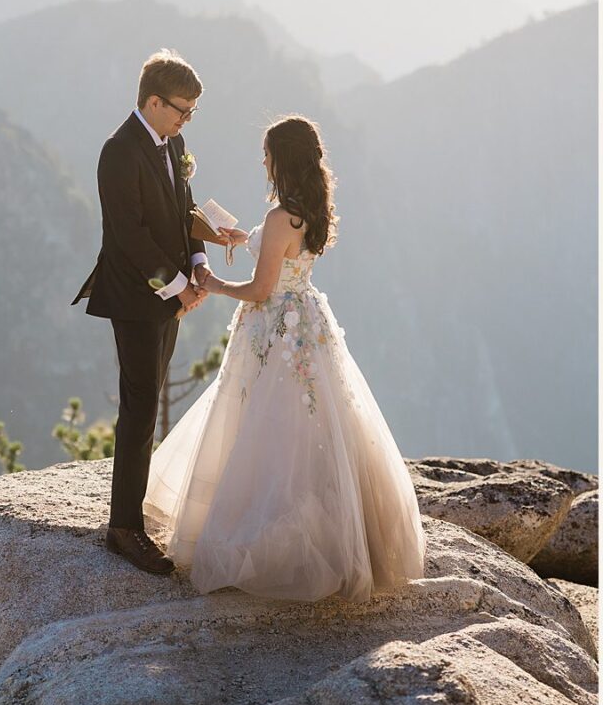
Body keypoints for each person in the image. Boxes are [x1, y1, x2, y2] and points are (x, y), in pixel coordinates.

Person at [145, 115, 426, 601]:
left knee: (264, 426)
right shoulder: (305, 212)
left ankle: (267, 539)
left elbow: (259, 289)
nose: (263, 161)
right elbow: (280, 254)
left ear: (283, 159)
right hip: (306, 322)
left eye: (268, 153)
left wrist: (211, 284)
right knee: (309, 424)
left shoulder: (280, 218)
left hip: (274, 327)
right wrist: (241, 238)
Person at [74, 50, 213, 575]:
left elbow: (184, 211)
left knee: (149, 397)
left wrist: (198, 262)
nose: (186, 120)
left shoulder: (172, 142)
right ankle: (123, 529)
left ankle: (129, 516)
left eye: (192, 113)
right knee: (139, 406)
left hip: (171, 294)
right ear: (152, 101)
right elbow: (128, 237)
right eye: (182, 109)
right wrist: (177, 287)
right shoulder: (118, 151)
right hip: (134, 297)